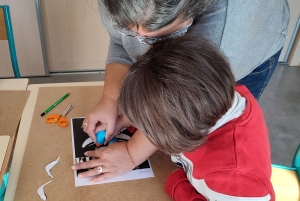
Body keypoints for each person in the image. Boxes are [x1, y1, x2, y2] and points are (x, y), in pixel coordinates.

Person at [73, 0, 289, 184]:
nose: (137, 43)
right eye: (127, 28)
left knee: (219, 152)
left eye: (153, 38)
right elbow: (120, 43)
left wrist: (131, 155)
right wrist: (110, 98)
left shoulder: (226, 30)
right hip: (187, 89)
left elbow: (182, 110)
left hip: (240, 54)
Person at [82, 35, 275, 200]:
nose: (144, 131)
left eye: (150, 127)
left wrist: (177, 184)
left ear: (179, 129)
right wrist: (135, 118)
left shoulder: (237, 179)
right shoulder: (218, 93)